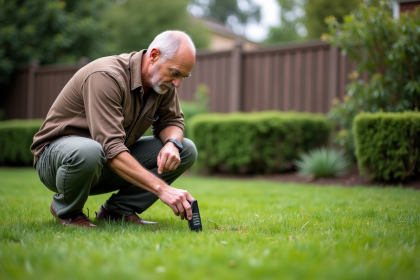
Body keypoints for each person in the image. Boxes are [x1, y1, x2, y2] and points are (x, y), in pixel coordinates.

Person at [30, 30, 198, 228]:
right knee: (90, 150)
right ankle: (68, 211)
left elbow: (174, 121)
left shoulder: (162, 83)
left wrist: (172, 143)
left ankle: (117, 212)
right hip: (57, 161)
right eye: (175, 73)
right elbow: (110, 146)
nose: (177, 83)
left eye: (183, 77)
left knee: (185, 149)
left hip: (103, 160)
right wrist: (163, 190)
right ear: (154, 56)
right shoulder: (107, 76)